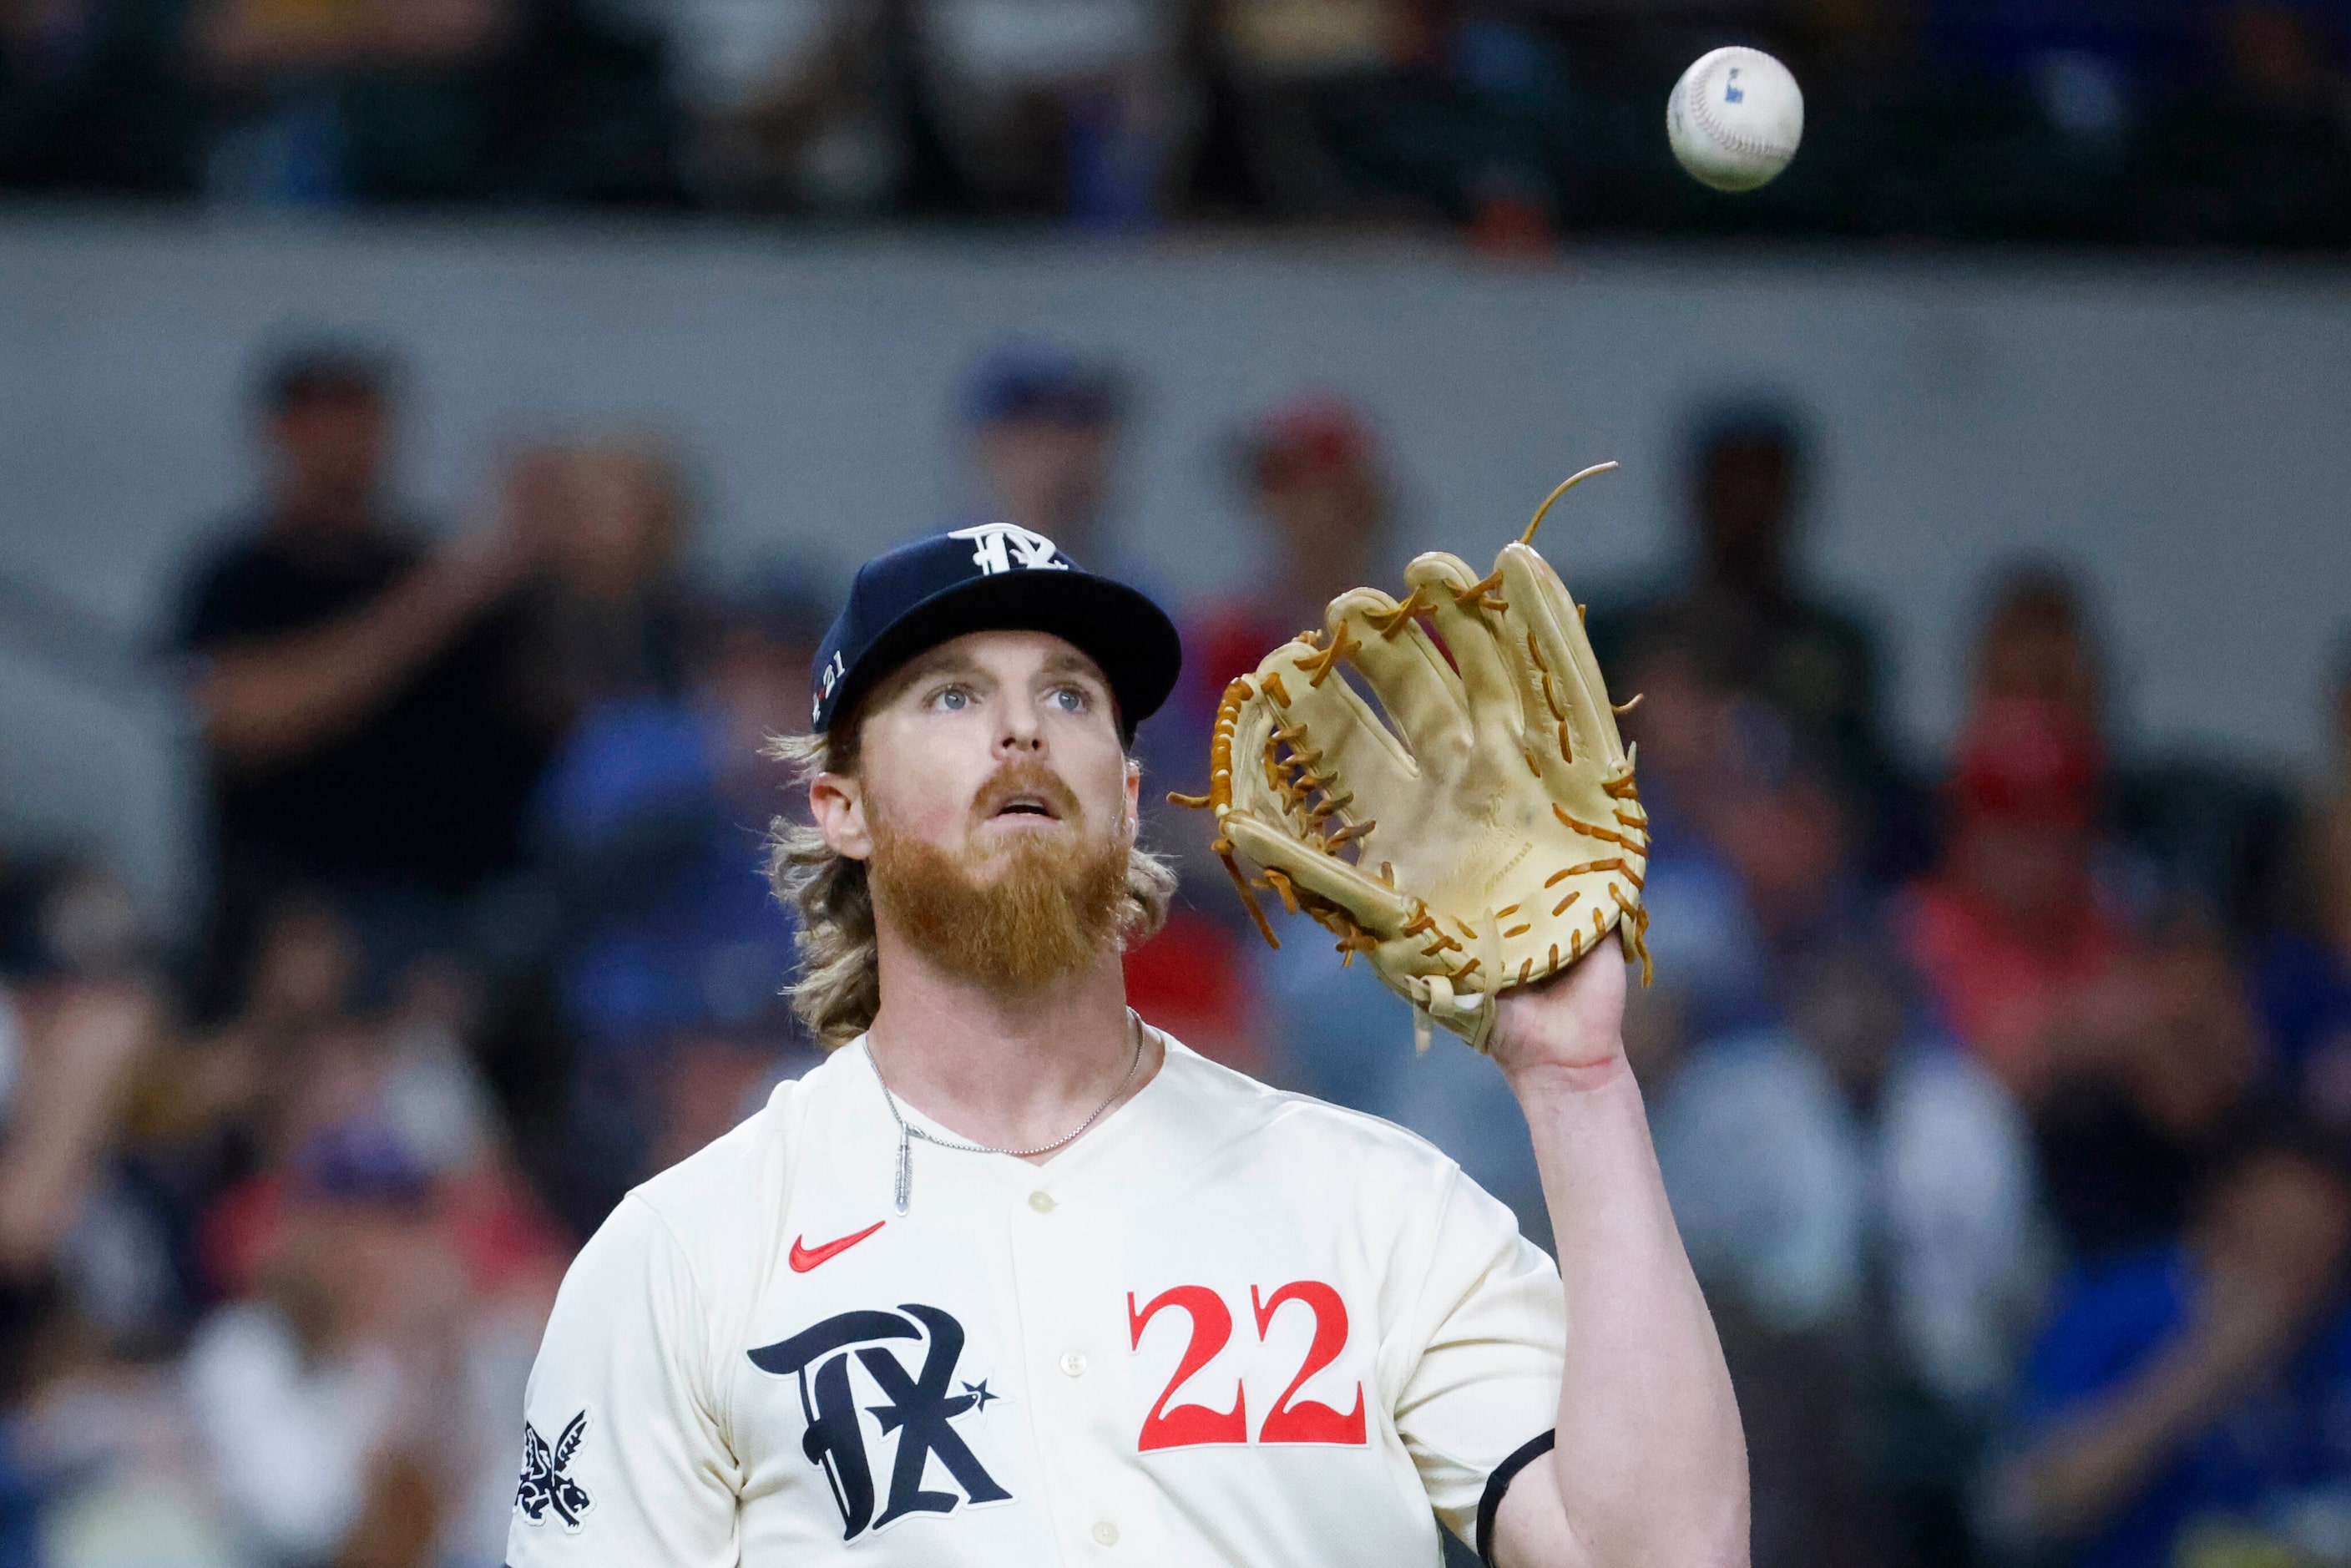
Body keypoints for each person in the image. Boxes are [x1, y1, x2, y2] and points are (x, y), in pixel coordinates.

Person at [508, 524, 1746, 1564]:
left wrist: (1578, 1078)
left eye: (1068, 693)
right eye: (951, 693)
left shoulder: (1376, 1205)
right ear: (842, 806)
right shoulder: (682, 1256)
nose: (1023, 729)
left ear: (1130, 791)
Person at [167, 343, 556, 1014]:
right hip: (296, 907)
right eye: (321, 419)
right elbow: (244, 718)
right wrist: (454, 588)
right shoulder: (236, 579)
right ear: (278, 433)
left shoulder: (441, 570)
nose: (344, 442)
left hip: (473, 907)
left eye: (359, 418)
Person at [1998, 1120, 2351, 1567]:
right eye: (2280, 1240)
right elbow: (2035, 1505)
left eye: (2318, 1254)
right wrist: (2204, 1367)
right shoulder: (2114, 1310)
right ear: (2224, 1213)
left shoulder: (2333, 1335)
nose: (2294, 1278)